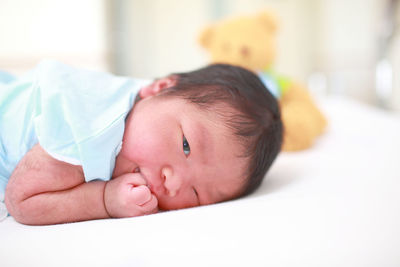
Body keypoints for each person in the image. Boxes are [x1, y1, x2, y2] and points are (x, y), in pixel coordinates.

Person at [0, 60, 282, 225]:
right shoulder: (88, 128)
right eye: (186, 146)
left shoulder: (158, 109)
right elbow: (22, 199)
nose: (172, 184)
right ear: (158, 88)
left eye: (196, 194)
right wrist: (104, 199)